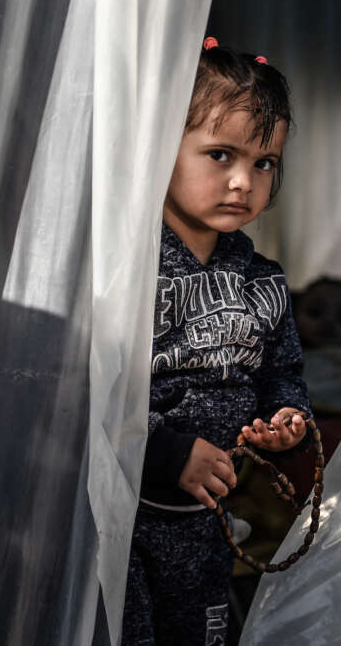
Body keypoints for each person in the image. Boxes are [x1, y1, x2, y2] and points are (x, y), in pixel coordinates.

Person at [122, 37, 312, 646]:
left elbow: (281, 375)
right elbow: (80, 395)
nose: (243, 183)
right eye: (220, 154)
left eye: (263, 163)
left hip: (206, 528)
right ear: (160, 148)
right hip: (122, 520)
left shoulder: (263, 282)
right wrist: (164, 453)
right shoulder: (126, 272)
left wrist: (287, 423)